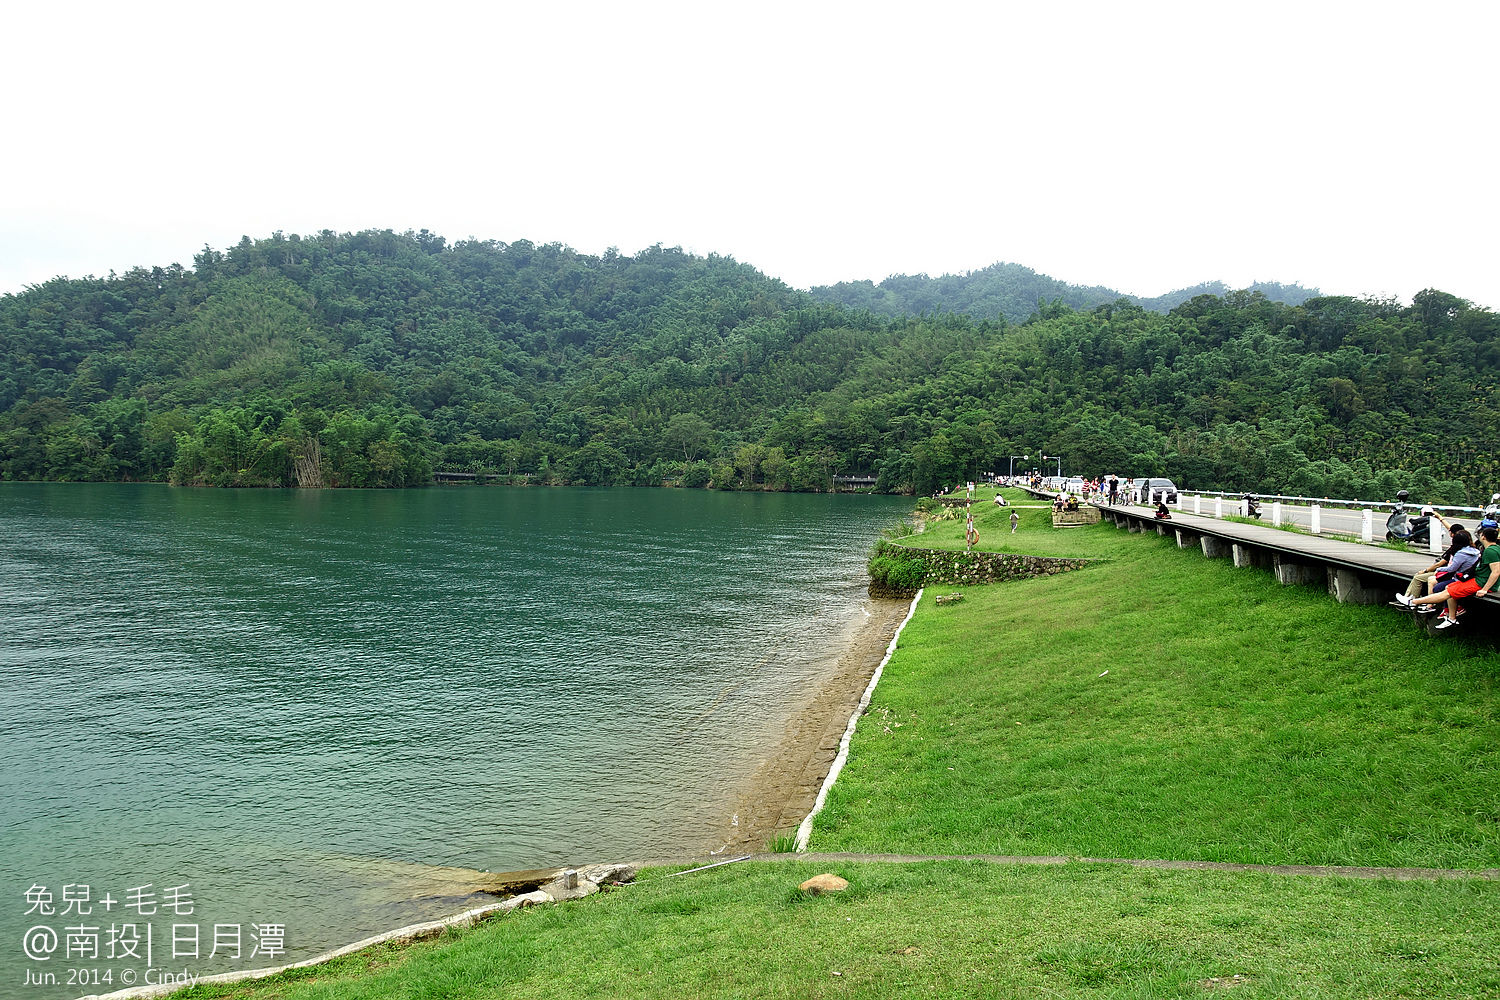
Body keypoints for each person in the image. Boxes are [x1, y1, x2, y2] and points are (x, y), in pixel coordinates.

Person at [1397, 526, 1498, 627]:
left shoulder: (1490, 551)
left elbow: (1496, 571)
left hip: (1481, 583)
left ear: (1483, 537)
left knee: (1448, 593)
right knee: (1450, 587)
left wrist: (1485, 589)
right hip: (1478, 580)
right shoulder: (1493, 548)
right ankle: (1451, 618)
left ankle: (1413, 602)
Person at [1391, 519, 1471, 607]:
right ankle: (1411, 599)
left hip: (1449, 574)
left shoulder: (1456, 550)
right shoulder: (1470, 548)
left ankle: (1413, 600)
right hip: (1456, 574)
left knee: (1419, 577)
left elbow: (1441, 565)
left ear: (1453, 534)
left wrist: (1426, 570)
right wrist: (1440, 518)